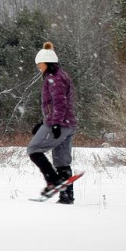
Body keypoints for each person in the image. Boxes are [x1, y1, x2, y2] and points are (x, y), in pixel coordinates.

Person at [27, 41, 78, 204]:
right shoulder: (59, 75)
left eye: (39, 64)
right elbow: (55, 104)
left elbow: (59, 103)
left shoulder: (54, 78)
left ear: (47, 63)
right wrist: (43, 122)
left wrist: (54, 124)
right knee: (62, 160)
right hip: (68, 123)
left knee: (33, 149)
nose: (38, 67)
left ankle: (53, 181)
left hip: (60, 123)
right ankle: (66, 196)